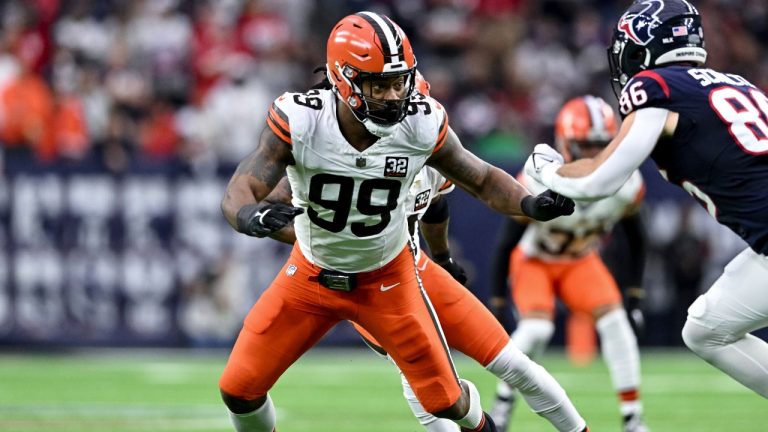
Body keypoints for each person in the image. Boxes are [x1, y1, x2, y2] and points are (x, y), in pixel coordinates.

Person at [218, 12, 576, 432]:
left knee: (446, 402)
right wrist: (249, 215)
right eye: (378, 84)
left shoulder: (419, 123)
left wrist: (531, 205)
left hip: (388, 279)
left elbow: (480, 178)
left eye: (398, 82)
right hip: (310, 277)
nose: (392, 95)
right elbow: (242, 186)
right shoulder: (302, 120)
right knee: (238, 389)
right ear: (344, 80)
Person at [525, 0, 768, 400]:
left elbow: (597, 181)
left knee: (708, 333)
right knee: (706, 329)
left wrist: (546, 170)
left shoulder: (654, 87)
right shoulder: (739, 83)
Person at [489, 96, 649, 432]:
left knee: (617, 322)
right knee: (537, 328)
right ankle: (503, 402)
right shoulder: (539, 177)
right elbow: (507, 242)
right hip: (536, 261)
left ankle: (633, 417)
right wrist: (498, 299)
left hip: (580, 261)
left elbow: (636, 238)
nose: (592, 155)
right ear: (565, 143)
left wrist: (634, 294)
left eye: (600, 145)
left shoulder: (626, 184)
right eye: (585, 145)